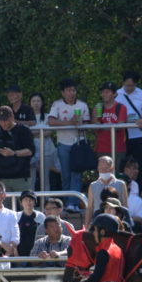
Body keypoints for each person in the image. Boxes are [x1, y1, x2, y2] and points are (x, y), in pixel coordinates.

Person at [47, 78, 91, 211]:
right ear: (63, 92)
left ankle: (74, 203)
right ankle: (67, 203)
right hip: (63, 144)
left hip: (78, 143)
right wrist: (69, 123)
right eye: (68, 90)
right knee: (65, 174)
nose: (71, 93)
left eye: (73, 90)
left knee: (76, 173)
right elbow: (51, 121)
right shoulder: (57, 105)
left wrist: (81, 124)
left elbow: (88, 123)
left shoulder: (82, 105)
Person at [0, 106, 36, 193]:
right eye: (1, 120)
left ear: (12, 117)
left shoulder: (24, 130)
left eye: (5, 120)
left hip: (21, 177)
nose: (3, 123)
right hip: (2, 178)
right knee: (3, 207)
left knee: (25, 206)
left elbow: (30, 151)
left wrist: (13, 153)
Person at [117, 71, 142, 164]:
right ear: (123, 82)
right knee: (124, 164)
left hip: (140, 134)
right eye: (126, 85)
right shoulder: (116, 94)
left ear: (136, 84)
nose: (129, 88)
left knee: (139, 163)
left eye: (131, 85)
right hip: (123, 135)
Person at [94, 81, 127, 158]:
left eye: (107, 92)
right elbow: (95, 130)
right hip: (101, 149)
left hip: (118, 149)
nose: (104, 94)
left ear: (115, 94)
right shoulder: (98, 107)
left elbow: (119, 127)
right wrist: (96, 119)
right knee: (102, 170)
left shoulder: (121, 107)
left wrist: (102, 126)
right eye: (103, 92)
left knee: (117, 170)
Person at [16, 190, 45, 257]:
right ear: (21, 202)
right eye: (25, 200)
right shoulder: (16, 216)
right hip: (19, 254)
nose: (28, 202)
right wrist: (15, 251)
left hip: (37, 254)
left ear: (35, 202)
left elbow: (44, 237)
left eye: (31, 200)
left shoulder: (41, 216)